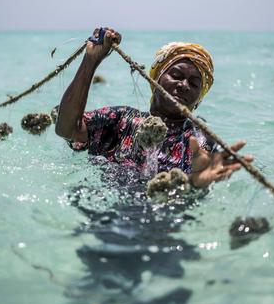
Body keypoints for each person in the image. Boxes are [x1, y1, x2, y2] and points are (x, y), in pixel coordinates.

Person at [55, 27, 253, 188]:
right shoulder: (123, 120)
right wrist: (91, 61)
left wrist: (196, 182)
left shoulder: (198, 139)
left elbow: (196, 181)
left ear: (198, 100)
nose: (183, 84)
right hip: (107, 218)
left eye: (193, 84)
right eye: (176, 75)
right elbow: (67, 128)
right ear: (156, 78)